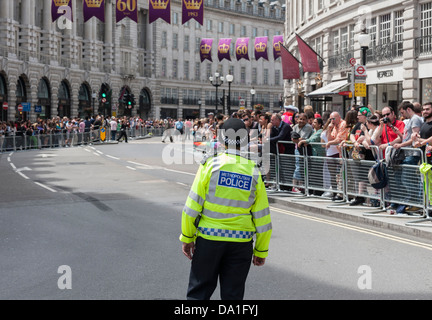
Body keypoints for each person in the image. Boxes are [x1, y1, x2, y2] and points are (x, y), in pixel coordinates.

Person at [180, 118, 272, 300]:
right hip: (241, 244)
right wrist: (261, 250)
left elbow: (191, 207)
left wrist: (188, 237)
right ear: (245, 140)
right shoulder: (253, 170)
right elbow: (262, 216)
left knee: (199, 293)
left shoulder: (210, 165)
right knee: (233, 296)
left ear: (221, 139)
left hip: (209, 240)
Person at [391, 101, 423, 214]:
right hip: (408, 153)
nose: (402, 115)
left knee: (407, 178)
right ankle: (412, 201)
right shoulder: (410, 120)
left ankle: (415, 201)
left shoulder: (415, 119)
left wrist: (400, 145)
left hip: (412, 154)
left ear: (408, 109)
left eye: (403, 112)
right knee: (405, 178)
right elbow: (406, 137)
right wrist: (399, 134)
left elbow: (415, 138)